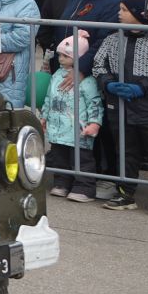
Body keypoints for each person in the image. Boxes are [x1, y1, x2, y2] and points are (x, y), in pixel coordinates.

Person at [91, 0, 148, 211]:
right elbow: (98, 65)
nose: (119, 14)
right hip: (119, 107)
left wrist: (143, 88)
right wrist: (108, 83)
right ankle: (125, 192)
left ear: (139, 14)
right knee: (125, 151)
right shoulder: (113, 38)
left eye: (124, 10)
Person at [45, 34, 103, 201]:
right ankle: (61, 182)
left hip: (79, 128)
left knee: (82, 159)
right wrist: (44, 117)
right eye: (60, 55)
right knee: (59, 158)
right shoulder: (57, 75)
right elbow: (49, 98)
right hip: (58, 127)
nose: (61, 59)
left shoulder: (87, 80)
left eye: (66, 56)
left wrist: (94, 123)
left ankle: (84, 187)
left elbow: (95, 103)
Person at [61, 0, 126, 77]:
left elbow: (104, 41)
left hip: (89, 72)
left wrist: (81, 68)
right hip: (65, 65)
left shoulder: (113, 2)